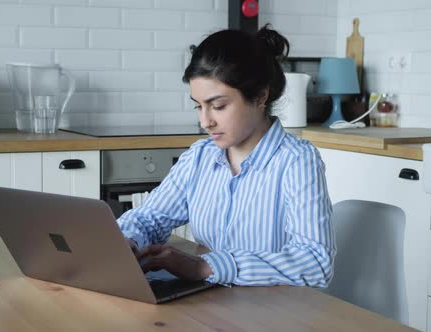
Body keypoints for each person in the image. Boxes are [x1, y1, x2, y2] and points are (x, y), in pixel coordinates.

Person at [118, 25, 336, 287]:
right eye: (198, 106)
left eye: (218, 106)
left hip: (273, 312)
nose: (205, 121)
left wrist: (204, 266)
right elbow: (150, 218)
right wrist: (125, 241)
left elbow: (314, 263)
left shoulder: (297, 161)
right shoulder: (200, 157)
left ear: (260, 96)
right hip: (212, 306)